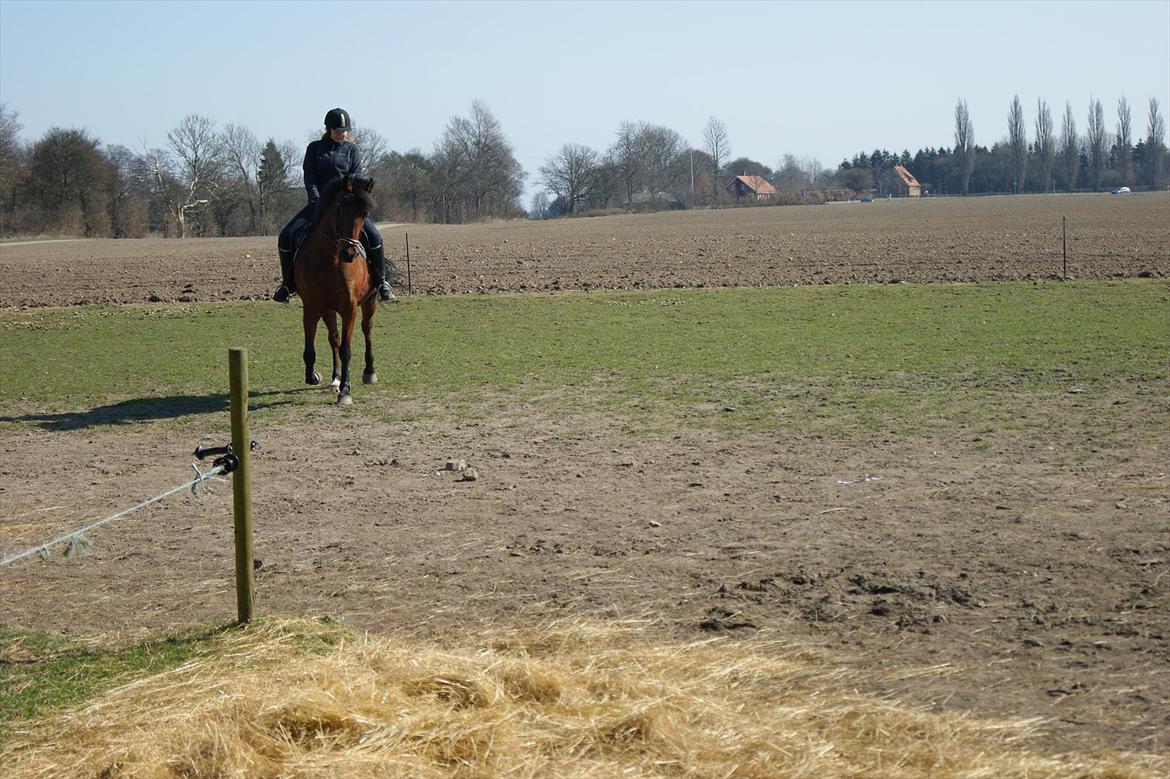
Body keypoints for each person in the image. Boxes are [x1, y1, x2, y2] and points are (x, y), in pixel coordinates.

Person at [274, 108, 394, 302]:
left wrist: (350, 197)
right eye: (338, 131)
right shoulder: (314, 148)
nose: (342, 134)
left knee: (374, 236)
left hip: (346, 207)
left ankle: (382, 283)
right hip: (318, 204)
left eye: (345, 131)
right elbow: (310, 175)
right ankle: (288, 285)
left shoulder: (352, 150)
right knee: (286, 236)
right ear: (328, 129)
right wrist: (315, 197)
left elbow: (355, 176)